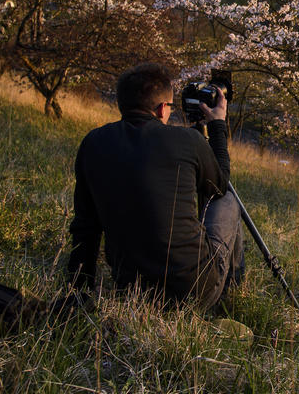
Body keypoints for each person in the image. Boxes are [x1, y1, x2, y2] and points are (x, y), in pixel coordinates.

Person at [67, 63, 243, 308]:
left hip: (132, 291)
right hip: (195, 291)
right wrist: (217, 125)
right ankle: (229, 293)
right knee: (228, 200)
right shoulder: (188, 141)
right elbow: (220, 184)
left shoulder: (93, 143)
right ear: (162, 109)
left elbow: (85, 228)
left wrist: (78, 293)